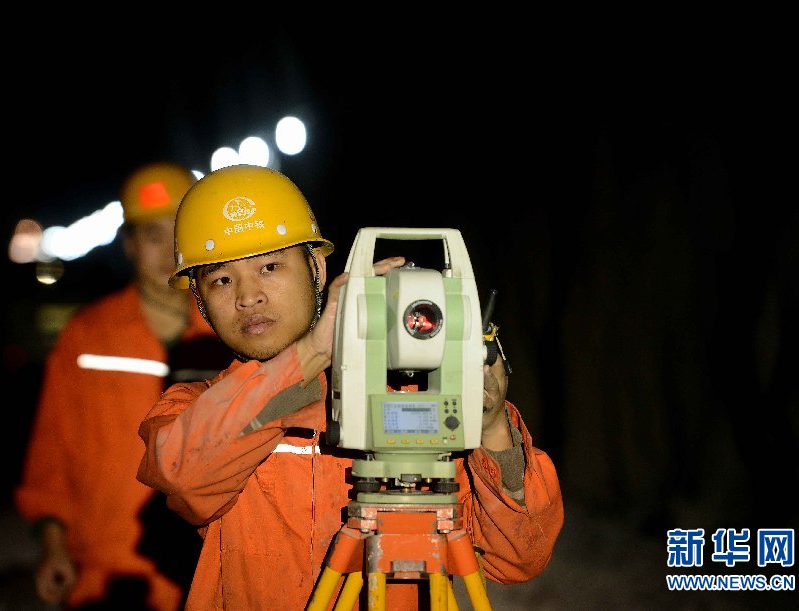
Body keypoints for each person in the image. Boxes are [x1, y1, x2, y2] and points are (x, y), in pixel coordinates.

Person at [136, 164, 564, 609]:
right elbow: (183, 476)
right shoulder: (194, 408)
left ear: (317, 269)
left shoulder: (418, 408)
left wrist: (491, 428)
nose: (248, 296)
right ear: (200, 300)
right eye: (222, 279)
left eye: (270, 267)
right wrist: (311, 355)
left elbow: (519, 558)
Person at [15, 161, 231, 610]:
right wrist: (54, 545)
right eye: (153, 235)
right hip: (107, 574)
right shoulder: (87, 335)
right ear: (129, 244)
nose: (169, 250)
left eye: (179, 234)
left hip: (207, 572)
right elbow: (51, 452)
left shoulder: (228, 333)